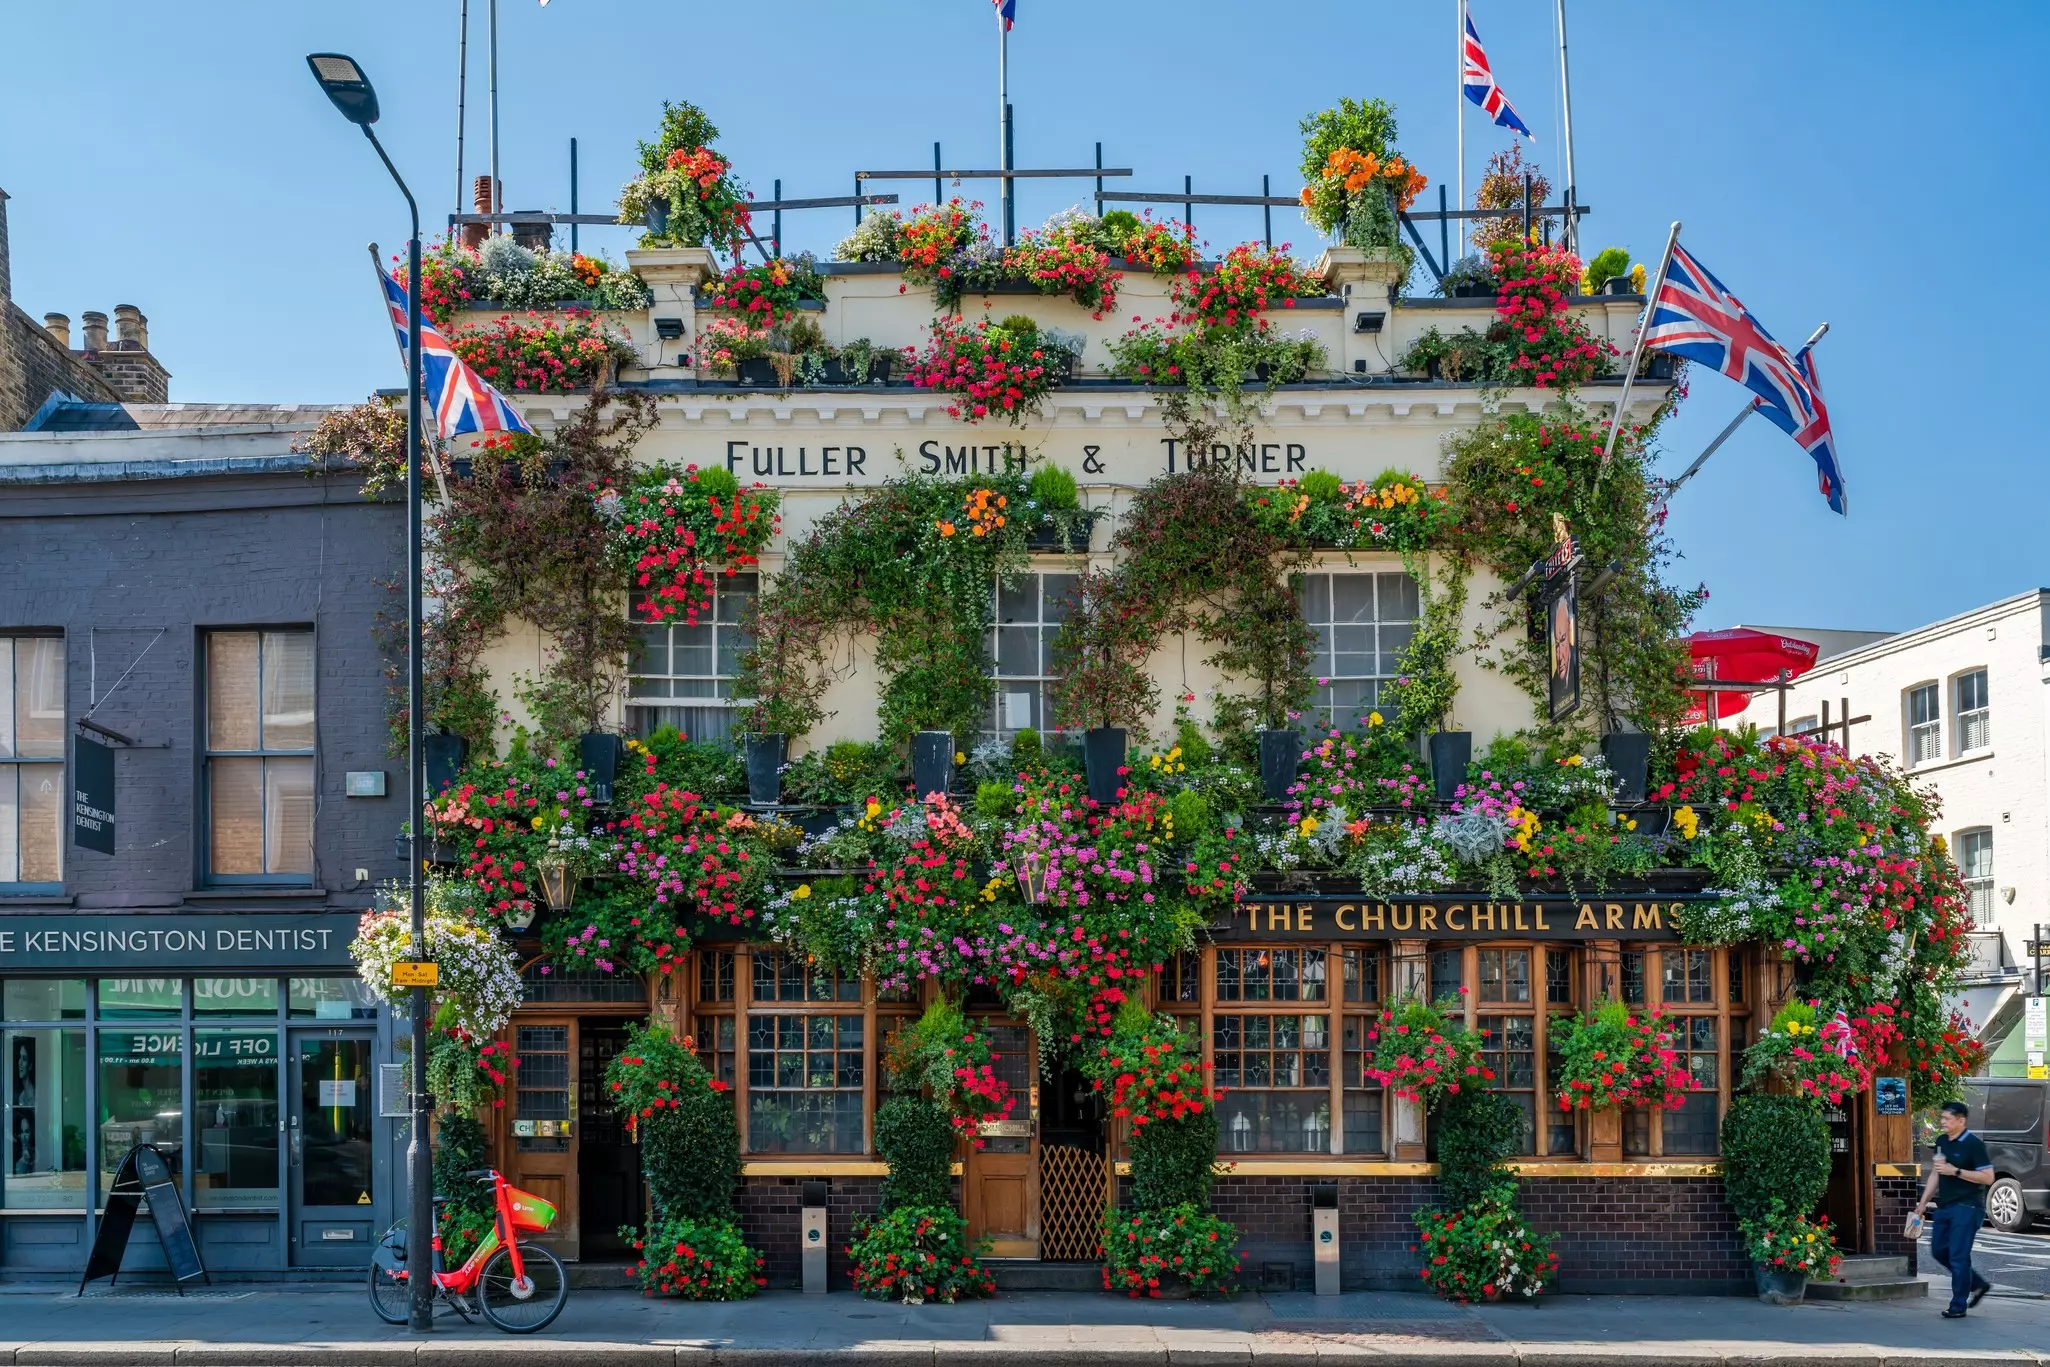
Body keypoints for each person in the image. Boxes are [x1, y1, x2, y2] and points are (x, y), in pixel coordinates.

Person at [1916, 1098, 1995, 1318]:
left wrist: (1957, 1171)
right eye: (1942, 1117)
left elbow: (1989, 1177)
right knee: (1939, 1251)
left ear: (1961, 1121)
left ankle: (1958, 1305)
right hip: (1945, 1206)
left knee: (1959, 1255)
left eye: (1947, 1118)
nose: (1942, 1122)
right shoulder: (1942, 1141)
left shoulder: (1974, 1145)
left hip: (1968, 1206)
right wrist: (1922, 1204)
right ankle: (1978, 1284)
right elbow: (1936, 1172)